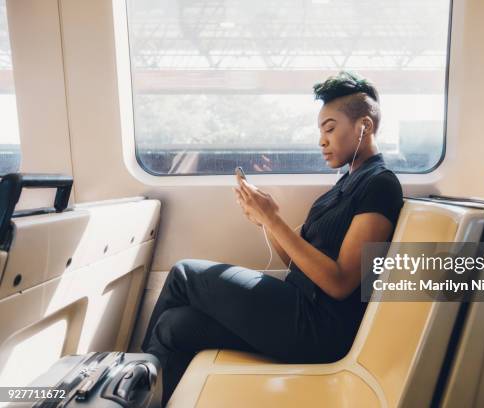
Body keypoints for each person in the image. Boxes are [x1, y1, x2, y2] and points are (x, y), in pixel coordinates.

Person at [141, 71, 405, 406]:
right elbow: (298, 262)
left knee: (183, 274)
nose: (321, 140)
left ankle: (125, 381)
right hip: (296, 303)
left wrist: (273, 218)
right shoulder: (344, 184)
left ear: (363, 126)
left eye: (330, 128)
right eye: (320, 131)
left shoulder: (380, 184)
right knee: (175, 326)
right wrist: (264, 221)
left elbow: (341, 283)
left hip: (319, 327)